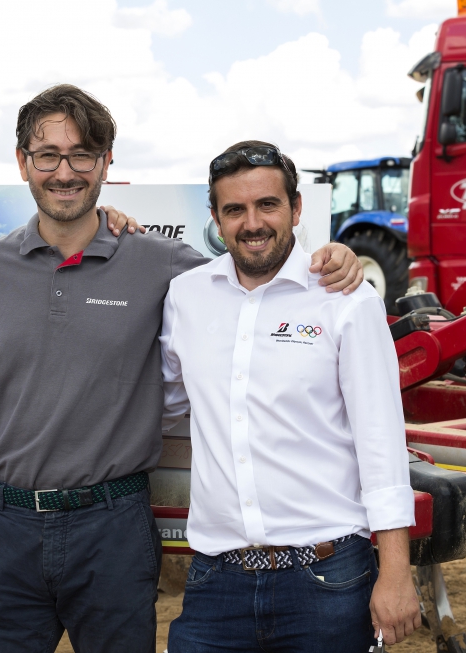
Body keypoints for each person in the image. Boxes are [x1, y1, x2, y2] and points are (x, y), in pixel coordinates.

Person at [0, 85, 364, 653]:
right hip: (9, 525)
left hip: (113, 526)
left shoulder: (161, 262)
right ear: (23, 161)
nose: (64, 171)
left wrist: (332, 256)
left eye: (82, 155)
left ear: (106, 162)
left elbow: (259, 264)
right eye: (47, 154)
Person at [160, 140, 420, 652]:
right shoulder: (186, 297)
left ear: (296, 208)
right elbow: (159, 403)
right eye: (234, 209)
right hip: (217, 582)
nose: (252, 223)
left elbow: (381, 444)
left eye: (268, 205)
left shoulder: (346, 299)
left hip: (328, 579)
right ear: (214, 217)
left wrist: (395, 574)